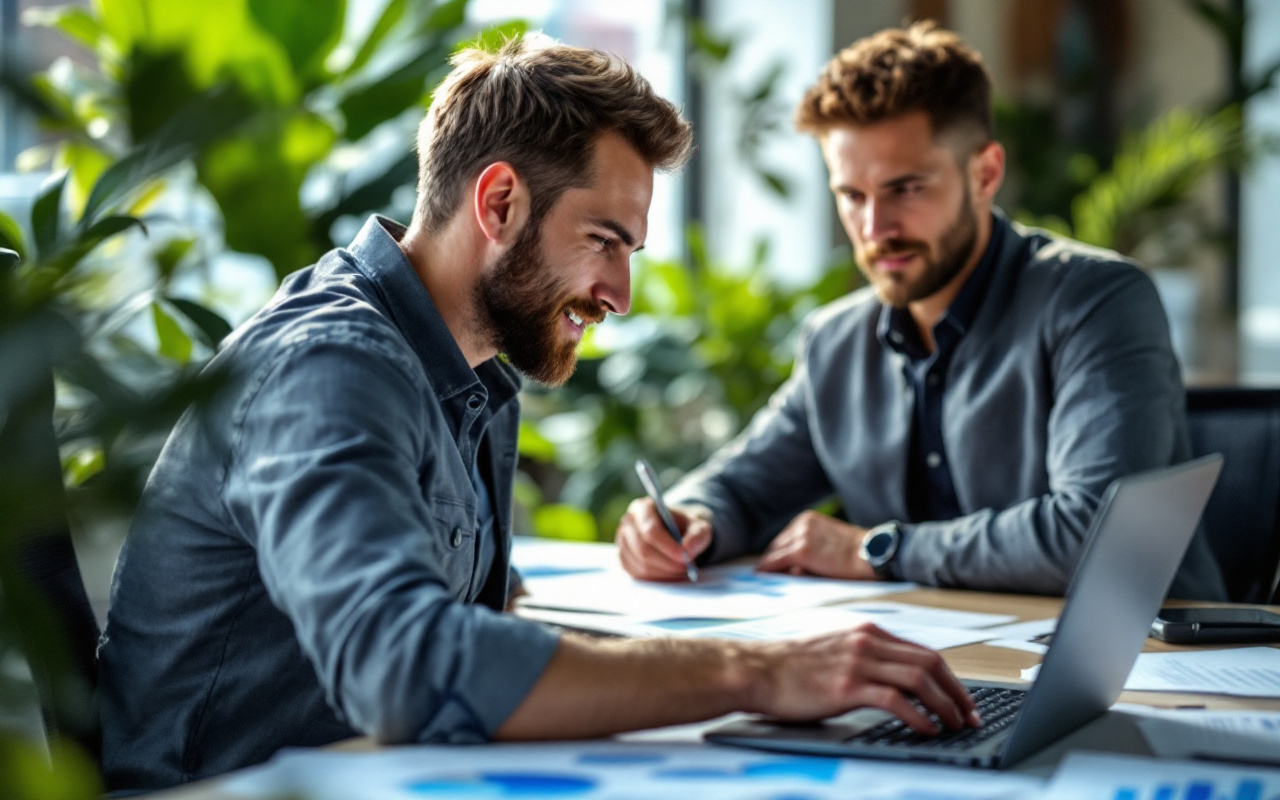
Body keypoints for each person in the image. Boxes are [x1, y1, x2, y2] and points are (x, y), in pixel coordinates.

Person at [96, 37, 978, 792]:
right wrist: (760, 673)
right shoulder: (331, 366)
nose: (621, 295)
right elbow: (410, 668)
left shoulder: (470, 372)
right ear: (499, 203)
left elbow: (468, 624)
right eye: (604, 241)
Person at [616, 22, 1226, 601]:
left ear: (985, 173)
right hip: (944, 668)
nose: (875, 228)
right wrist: (685, 521)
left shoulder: (1096, 302)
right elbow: (740, 491)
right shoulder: (837, 343)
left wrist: (880, 551)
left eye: (906, 188)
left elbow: (1098, 533)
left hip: (1147, 673)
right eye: (852, 196)